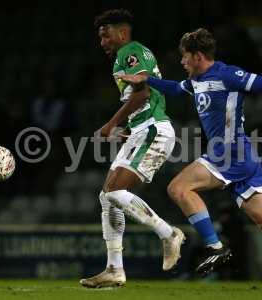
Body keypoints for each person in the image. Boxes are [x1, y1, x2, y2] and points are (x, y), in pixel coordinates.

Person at [118, 28, 262, 291]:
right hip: (239, 157)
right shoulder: (196, 81)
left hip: (230, 151)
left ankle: (215, 246)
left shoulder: (226, 74)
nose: (181, 62)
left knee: (178, 188)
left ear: (198, 56)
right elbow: (175, 89)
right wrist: (145, 79)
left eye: (185, 57)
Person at [80, 9, 185, 288]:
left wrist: (110, 123)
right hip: (143, 129)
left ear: (122, 32)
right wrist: (127, 129)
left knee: (114, 191)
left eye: (106, 35)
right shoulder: (129, 54)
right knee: (106, 196)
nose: (102, 41)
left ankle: (168, 233)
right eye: (99, 37)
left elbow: (143, 93)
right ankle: (114, 268)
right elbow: (146, 97)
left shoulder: (130, 51)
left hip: (153, 129)